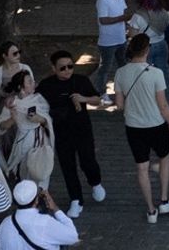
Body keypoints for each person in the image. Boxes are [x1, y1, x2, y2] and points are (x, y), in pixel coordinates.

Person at [114, 33, 169, 223]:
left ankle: (151, 210)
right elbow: (163, 105)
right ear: (147, 50)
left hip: (134, 127)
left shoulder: (120, 73)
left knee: (142, 168)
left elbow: (119, 105)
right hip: (156, 125)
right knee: (164, 158)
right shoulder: (156, 73)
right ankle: (164, 199)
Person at [35, 50, 104, 218]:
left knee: (88, 160)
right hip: (60, 132)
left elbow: (97, 99)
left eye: (70, 66)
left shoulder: (81, 81)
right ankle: (76, 199)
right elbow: (36, 101)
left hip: (82, 129)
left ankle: (95, 182)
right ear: (54, 68)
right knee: (67, 166)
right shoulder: (46, 85)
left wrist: (83, 99)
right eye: (62, 68)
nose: (67, 70)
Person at [0, 70, 53, 188]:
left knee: (40, 171)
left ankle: (41, 196)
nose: (34, 83)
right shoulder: (12, 104)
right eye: (29, 81)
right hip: (23, 143)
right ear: (20, 87)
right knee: (25, 172)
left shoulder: (39, 99)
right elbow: (1, 126)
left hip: (41, 141)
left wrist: (39, 119)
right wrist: (12, 119)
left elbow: (47, 120)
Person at [0, 180, 79, 250]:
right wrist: (55, 209)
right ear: (36, 201)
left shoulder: (5, 223)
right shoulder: (44, 222)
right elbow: (73, 237)